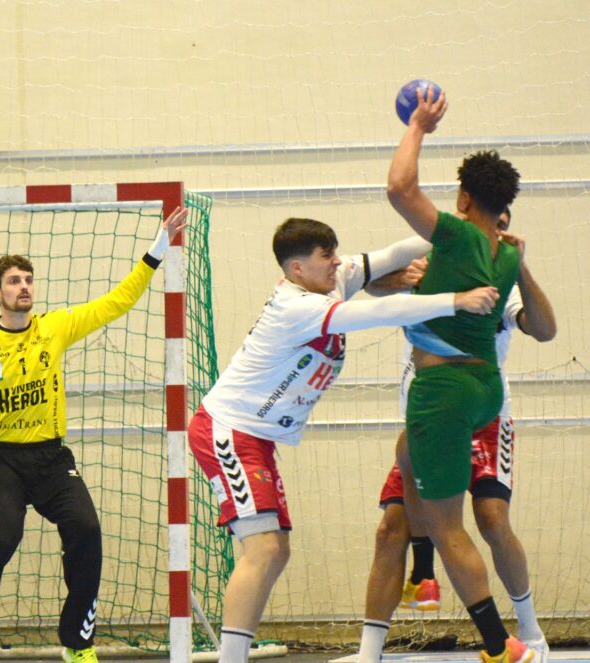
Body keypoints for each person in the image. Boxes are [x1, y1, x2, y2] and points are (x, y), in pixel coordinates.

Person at [187, 216, 503, 663]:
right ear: (297, 269)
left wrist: (464, 227)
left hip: (257, 438)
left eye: (336, 252)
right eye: (326, 256)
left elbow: (393, 254)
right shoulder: (298, 307)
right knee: (263, 548)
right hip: (228, 431)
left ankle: (233, 652)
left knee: (276, 551)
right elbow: (379, 312)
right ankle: (231, 659)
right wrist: (455, 300)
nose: (338, 262)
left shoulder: (331, 278)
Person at [0, 206, 189, 663]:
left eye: (28, 279)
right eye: (13, 281)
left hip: (51, 458)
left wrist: (157, 249)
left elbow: (116, 302)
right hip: (1, 461)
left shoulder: (53, 327)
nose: (24, 287)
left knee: (86, 529)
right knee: (1, 541)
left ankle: (77, 644)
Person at [357, 208, 556, 662]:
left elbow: (544, 329)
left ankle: (528, 631)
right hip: (426, 414)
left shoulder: (497, 279)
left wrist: (521, 266)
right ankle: (372, 647)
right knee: (391, 527)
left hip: (481, 416)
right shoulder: (436, 256)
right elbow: (371, 284)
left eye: (500, 226)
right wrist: (408, 277)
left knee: (490, 519)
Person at [385, 86, 537, 663]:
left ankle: (500, 646)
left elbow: (400, 187)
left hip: (444, 393)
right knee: (406, 456)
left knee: (452, 526)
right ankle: (419, 570)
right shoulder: (506, 253)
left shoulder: (455, 234)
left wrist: (418, 125)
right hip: (484, 392)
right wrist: (411, 283)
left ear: (465, 197)